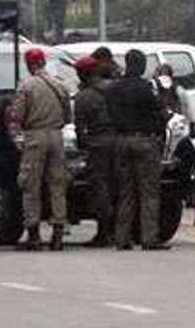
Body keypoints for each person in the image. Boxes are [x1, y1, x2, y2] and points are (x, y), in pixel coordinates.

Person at [6, 48, 71, 251]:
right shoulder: (60, 85)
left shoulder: (26, 86)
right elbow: (68, 116)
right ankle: (58, 233)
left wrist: (17, 138)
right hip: (56, 137)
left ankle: (33, 234)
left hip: (35, 137)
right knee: (57, 185)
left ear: (28, 64)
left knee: (30, 185)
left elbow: (16, 116)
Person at [105, 49, 171, 251]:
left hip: (121, 141)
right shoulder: (146, 88)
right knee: (148, 191)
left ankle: (122, 237)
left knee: (126, 191)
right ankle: (149, 237)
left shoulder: (113, 89)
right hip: (144, 141)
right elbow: (158, 112)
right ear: (140, 65)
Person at [152, 64, 195, 227]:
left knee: (190, 171)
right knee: (191, 172)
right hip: (177, 136)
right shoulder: (179, 91)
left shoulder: (156, 91)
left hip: (163, 138)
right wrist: (192, 128)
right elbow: (188, 113)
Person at [74, 56, 116, 248]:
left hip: (97, 145)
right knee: (118, 186)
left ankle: (103, 232)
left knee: (100, 189)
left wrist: (83, 147)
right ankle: (118, 231)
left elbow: (80, 128)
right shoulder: (114, 89)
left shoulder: (83, 97)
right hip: (117, 142)